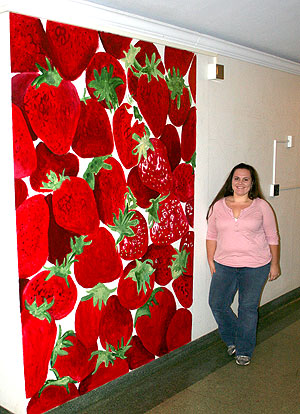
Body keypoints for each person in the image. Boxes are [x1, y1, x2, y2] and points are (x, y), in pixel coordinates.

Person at [206, 163, 280, 366]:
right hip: (225, 264)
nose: (240, 183)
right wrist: (211, 260)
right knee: (217, 304)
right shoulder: (218, 206)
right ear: (231, 181)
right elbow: (211, 236)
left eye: (245, 179)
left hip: (256, 265)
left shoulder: (262, 206)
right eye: (237, 178)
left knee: (247, 307)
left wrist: (275, 264)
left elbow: (272, 237)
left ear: (252, 183)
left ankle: (244, 350)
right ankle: (233, 339)